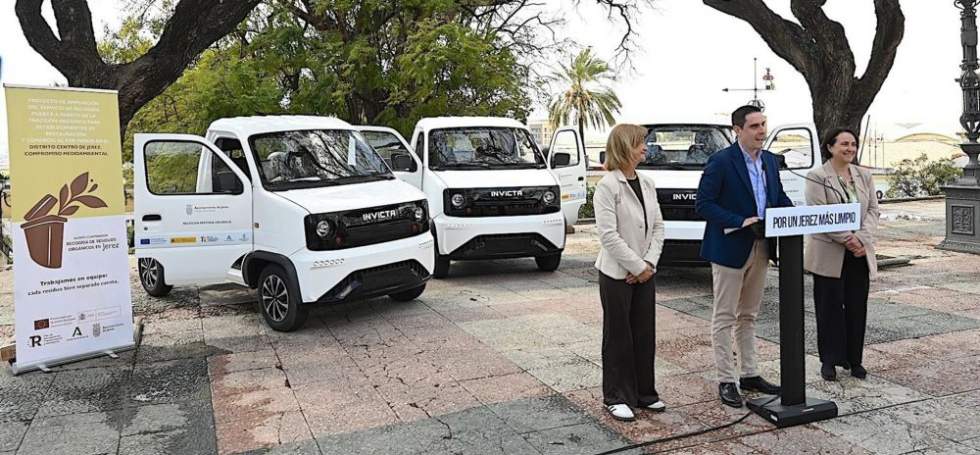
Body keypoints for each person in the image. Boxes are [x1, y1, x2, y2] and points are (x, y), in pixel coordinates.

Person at [695, 105, 793, 408]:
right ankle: (727, 379)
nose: (761, 131)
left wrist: (800, 216)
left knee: (749, 315)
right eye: (754, 126)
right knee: (725, 316)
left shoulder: (771, 162)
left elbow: (779, 199)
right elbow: (704, 204)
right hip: (729, 246)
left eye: (763, 124)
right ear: (737, 130)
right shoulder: (721, 162)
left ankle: (750, 374)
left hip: (763, 247)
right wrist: (739, 221)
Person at [593, 124, 666, 421]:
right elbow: (608, 235)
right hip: (616, 274)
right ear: (625, 147)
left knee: (644, 333)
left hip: (645, 272)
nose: (645, 148)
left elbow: (658, 226)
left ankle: (644, 393)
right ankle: (616, 396)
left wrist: (648, 265)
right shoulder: (607, 186)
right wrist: (637, 267)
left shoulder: (647, 182)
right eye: (640, 144)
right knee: (618, 334)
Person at [804, 128, 879, 381]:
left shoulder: (864, 175)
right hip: (830, 252)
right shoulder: (816, 177)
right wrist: (848, 239)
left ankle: (854, 360)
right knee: (829, 308)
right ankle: (829, 360)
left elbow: (872, 211)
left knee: (857, 306)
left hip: (859, 252)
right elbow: (820, 214)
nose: (849, 148)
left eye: (853, 144)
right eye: (844, 144)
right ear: (830, 147)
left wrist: (861, 239)